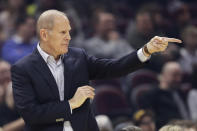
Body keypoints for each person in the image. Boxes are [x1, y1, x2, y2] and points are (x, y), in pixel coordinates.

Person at [11, 10, 182, 131]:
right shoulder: (22, 69)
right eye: (63, 32)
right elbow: (31, 115)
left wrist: (146, 50)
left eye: (69, 31)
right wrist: (70, 104)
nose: (69, 37)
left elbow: (115, 68)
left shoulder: (78, 56)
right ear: (45, 35)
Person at [138, 62, 189, 128]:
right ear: (164, 75)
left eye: (180, 75)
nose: (178, 79)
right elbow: (151, 122)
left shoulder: (180, 92)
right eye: (174, 75)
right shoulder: (150, 96)